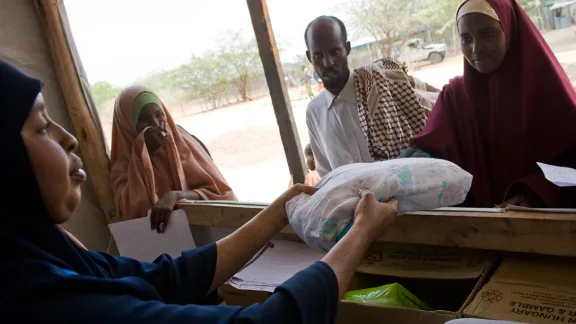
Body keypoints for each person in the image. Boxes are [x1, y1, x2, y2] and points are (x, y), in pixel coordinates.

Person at [0, 59, 400, 322]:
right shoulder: (36, 297)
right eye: (40, 126)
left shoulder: (48, 255)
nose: (68, 139)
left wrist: (277, 212)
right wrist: (361, 233)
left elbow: (169, 277)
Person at [399, 0, 576, 208]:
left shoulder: (546, 90)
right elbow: (430, 151)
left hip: (543, 225)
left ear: (510, 31)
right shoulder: (455, 97)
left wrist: (535, 193)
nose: (476, 49)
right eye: (466, 38)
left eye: (488, 34)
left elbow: (571, 163)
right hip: (476, 229)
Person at [304, 16, 439, 177]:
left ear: (347, 48)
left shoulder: (381, 86)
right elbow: (327, 174)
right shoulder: (314, 112)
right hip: (353, 201)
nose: (327, 63)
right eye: (318, 55)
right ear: (309, 57)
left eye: (335, 52)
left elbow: (434, 105)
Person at [110, 86, 236, 231]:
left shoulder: (184, 144)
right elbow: (132, 214)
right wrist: (143, 156)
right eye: (144, 119)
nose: (156, 124)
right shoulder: (122, 167)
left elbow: (220, 194)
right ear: (128, 124)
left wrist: (175, 196)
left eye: (159, 115)